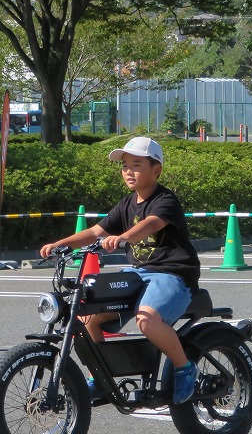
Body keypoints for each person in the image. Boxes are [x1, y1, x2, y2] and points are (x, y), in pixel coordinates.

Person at [39, 135, 200, 405]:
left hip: (172, 274)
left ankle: (184, 367)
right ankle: (101, 378)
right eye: (125, 166)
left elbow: (150, 224)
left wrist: (124, 237)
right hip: (139, 273)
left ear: (156, 169)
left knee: (146, 321)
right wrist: (59, 244)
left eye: (136, 165)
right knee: (87, 318)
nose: (128, 171)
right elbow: (95, 232)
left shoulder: (165, 200)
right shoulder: (126, 203)